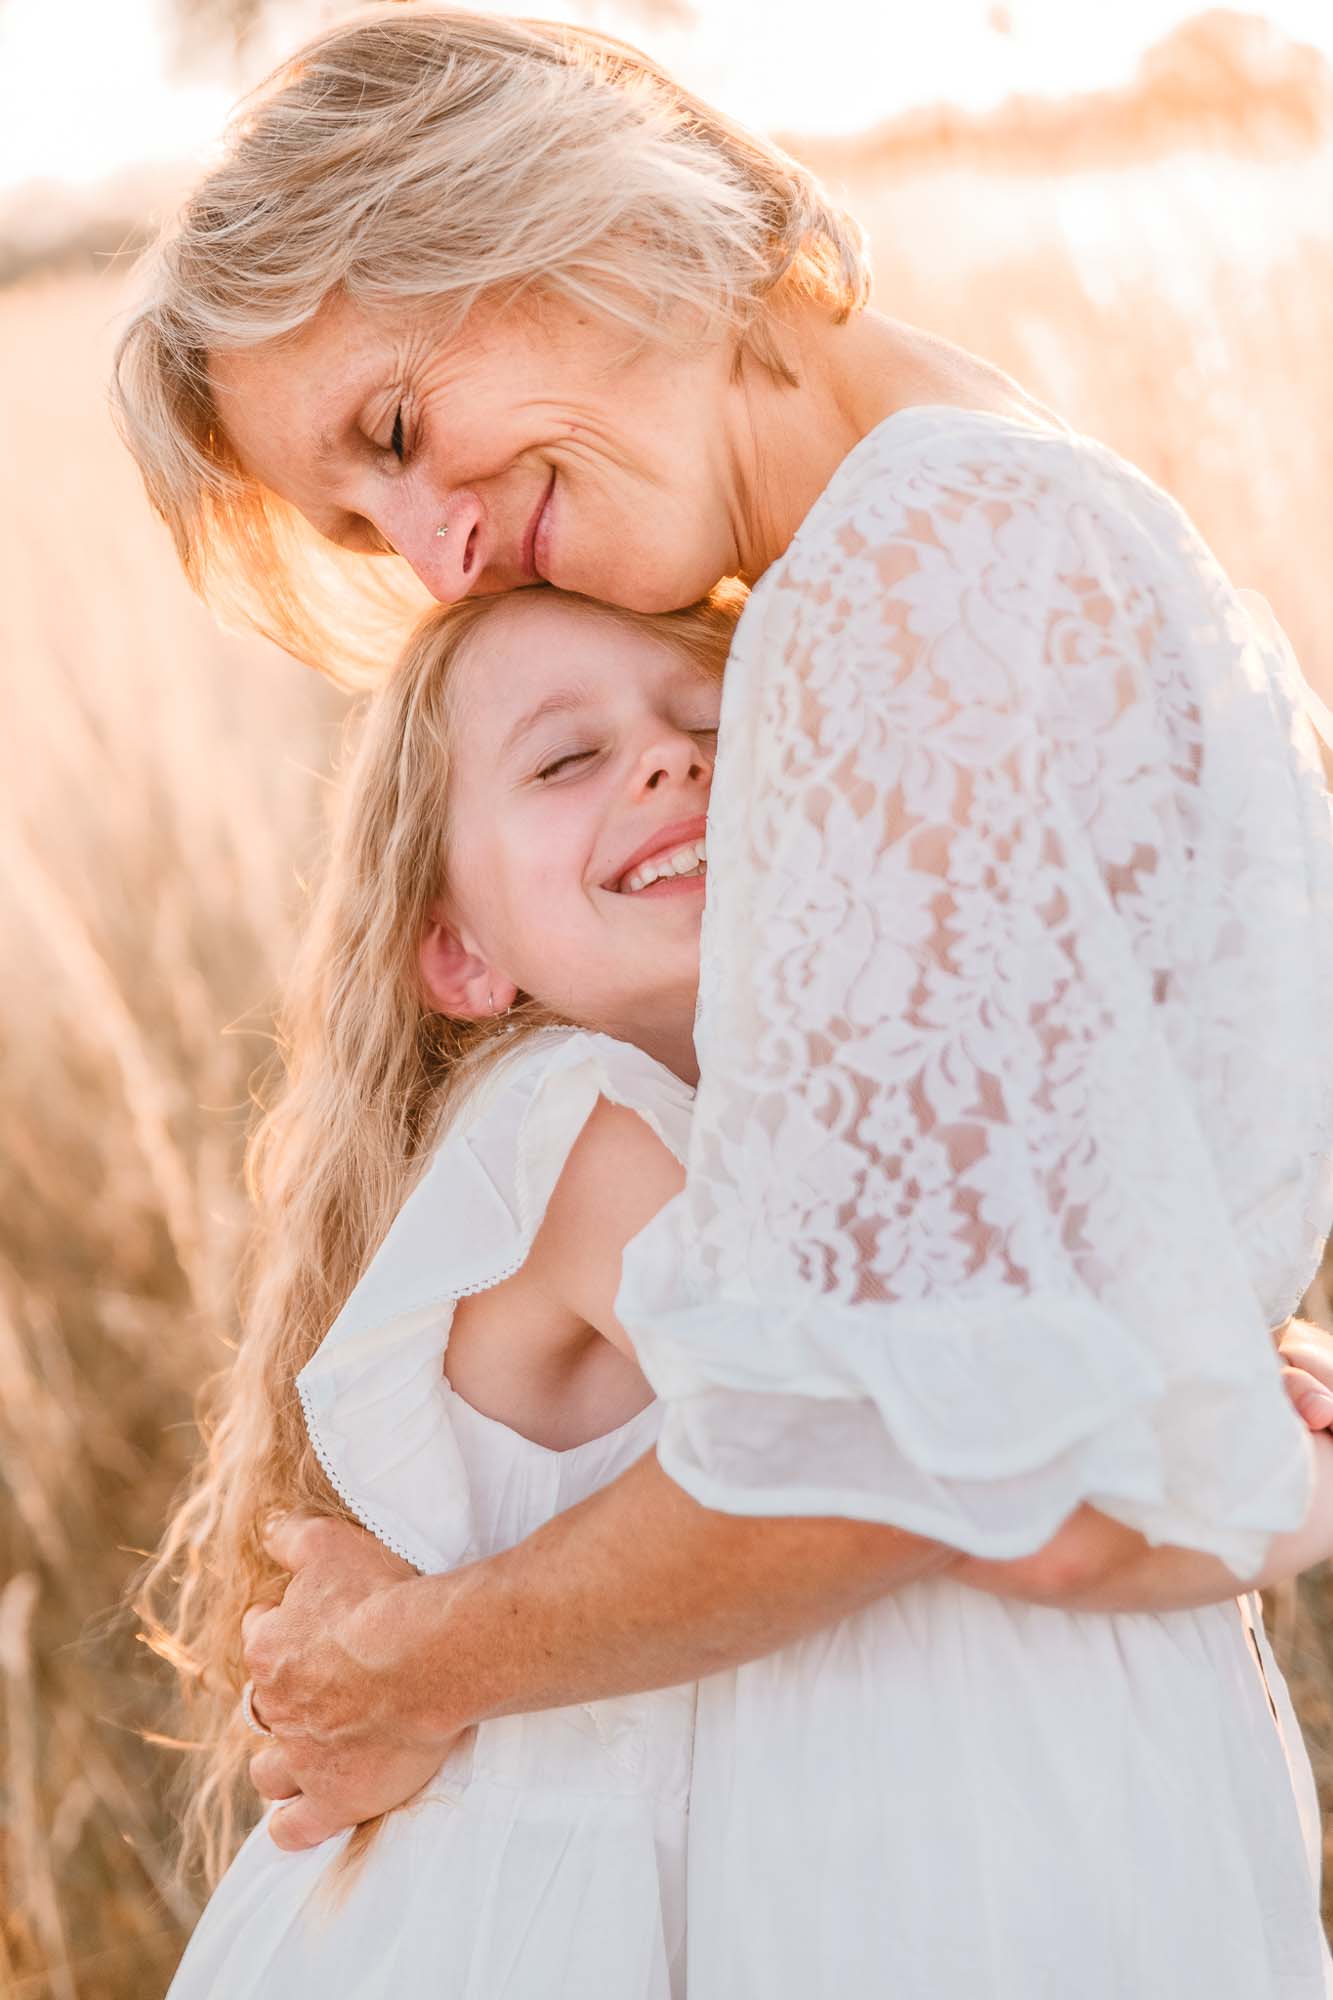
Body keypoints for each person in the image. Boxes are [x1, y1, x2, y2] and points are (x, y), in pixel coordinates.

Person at [114, 13, 1333, 1993]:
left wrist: (399, 1654)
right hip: (1085, 1766)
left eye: (398, 430)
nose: (434, 557)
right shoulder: (1001, 522)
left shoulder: (914, 564)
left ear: (530, 213)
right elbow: (1023, 1348)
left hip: (957, 1831)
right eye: (365, 524)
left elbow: (874, 1451)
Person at [154, 584, 736, 1998]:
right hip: (532, 1919)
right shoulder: (584, 1128)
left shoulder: (711, 1135)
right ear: (461, 953)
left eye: (706, 719)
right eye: (564, 760)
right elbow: (882, 1392)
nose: (668, 762)